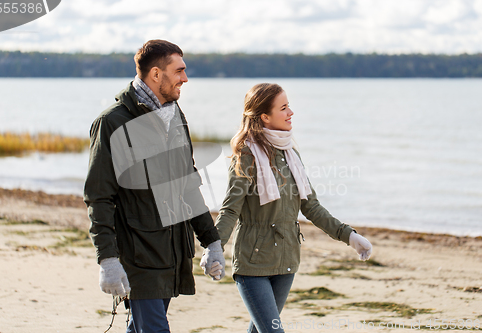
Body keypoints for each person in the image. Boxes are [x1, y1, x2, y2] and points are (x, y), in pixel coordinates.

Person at [84, 39, 225, 333]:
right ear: (156, 74)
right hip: (137, 254)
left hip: (172, 251)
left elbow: (187, 184)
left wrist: (210, 241)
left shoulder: (175, 118)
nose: (185, 78)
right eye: (179, 71)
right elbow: (99, 196)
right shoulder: (112, 122)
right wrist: (108, 259)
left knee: (141, 328)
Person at [213, 83, 373, 333]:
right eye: (284, 107)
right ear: (265, 116)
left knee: (260, 330)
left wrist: (349, 236)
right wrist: (215, 247)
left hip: (287, 259)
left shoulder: (291, 154)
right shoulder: (246, 155)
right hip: (253, 263)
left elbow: (312, 207)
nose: (291, 113)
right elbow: (230, 209)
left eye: (289, 106)